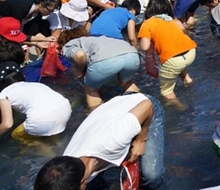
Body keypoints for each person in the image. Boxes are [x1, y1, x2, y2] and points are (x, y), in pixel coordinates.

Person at [34, 92, 165, 189]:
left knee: (152, 177)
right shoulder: (66, 169)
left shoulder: (113, 139)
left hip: (143, 107)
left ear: (83, 182)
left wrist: (141, 140)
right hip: (110, 116)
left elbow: (147, 106)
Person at [58, 28, 141, 107]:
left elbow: (79, 55)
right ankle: (141, 105)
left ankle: (98, 117)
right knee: (126, 82)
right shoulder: (94, 39)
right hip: (132, 54)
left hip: (105, 60)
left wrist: (79, 71)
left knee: (91, 90)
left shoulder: (68, 45)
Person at [139, 0, 197, 100]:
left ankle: (181, 109)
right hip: (191, 52)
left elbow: (145, 46)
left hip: (173, 60)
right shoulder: (171, 20)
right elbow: (183, 28)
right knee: (177, 60)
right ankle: (187, 79)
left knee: (166, 91)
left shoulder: (147, 23)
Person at [0, 61, 71, 140]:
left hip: (41, 120)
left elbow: (7, 124)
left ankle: (45, 150)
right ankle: (59, 145)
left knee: (16, 135)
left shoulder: (3, 94)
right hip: (65, 108)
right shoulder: (33, 84)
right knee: (50, 134)